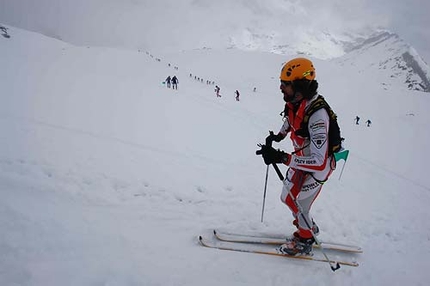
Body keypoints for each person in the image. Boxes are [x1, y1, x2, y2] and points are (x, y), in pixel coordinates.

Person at [257, 57, 336, 256]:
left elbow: (318, 162)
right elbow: (290, 121)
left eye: (286, 84)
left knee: (300, 203)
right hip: (301, 159)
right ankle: (308, 225)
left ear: (300, 85)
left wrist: (283, 158)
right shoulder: (295, 102)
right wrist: (278, 136)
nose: (281, 87)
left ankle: (305, 240)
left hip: (319, 166)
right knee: (287, 197)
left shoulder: (318, 114)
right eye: (281, 83)